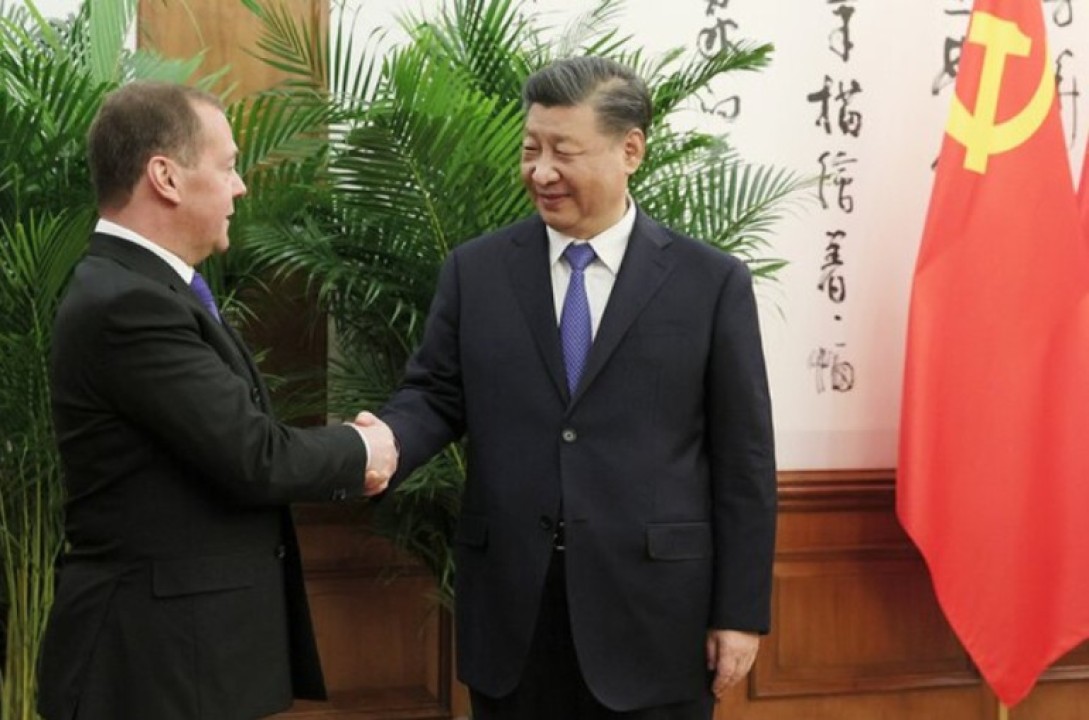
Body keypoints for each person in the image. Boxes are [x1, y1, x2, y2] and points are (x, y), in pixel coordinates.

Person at [376, 57, 777, 719]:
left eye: (563, 152)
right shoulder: (477, 272)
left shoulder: (709, 283)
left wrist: (739, 612)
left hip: (656, 617)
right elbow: (435, 395)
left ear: (630, 150)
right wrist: (380, 443)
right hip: (514, 612)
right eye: (530, 149)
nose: (540, 172)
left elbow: (744, 460)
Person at [37, 81, 397, 720]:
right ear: (165, 177)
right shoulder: (129, 303)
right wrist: (364, 447)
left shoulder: (149, 289)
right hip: (153, 667)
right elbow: (254, 456)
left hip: (183, 662)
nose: (241, 187)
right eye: (228, 166)